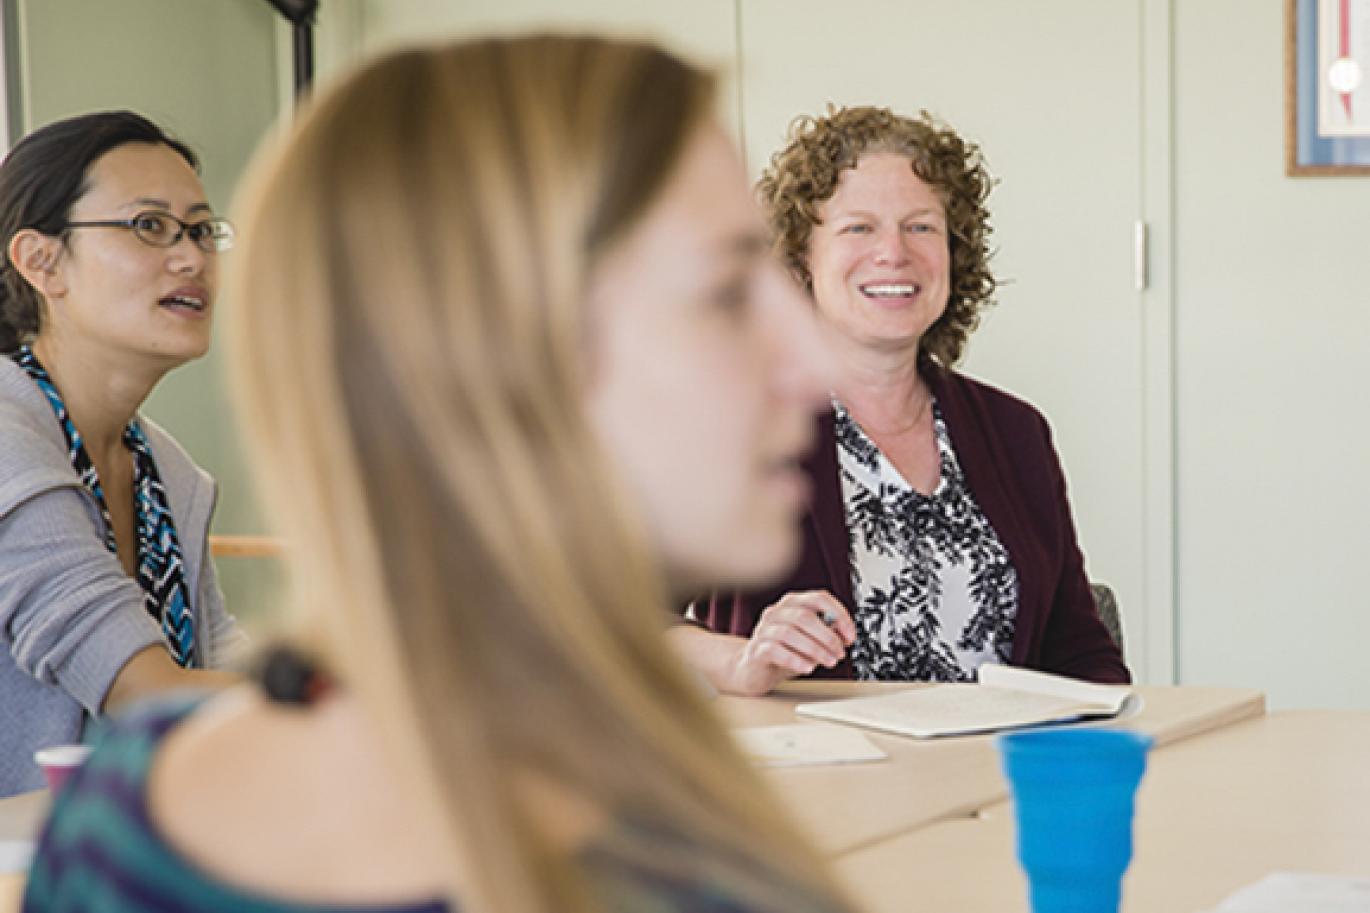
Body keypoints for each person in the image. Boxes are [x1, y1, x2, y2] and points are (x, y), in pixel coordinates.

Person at [24, 37, 857, 913]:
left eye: (199, 229)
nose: (811, 358)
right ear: (493, 350)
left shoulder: (121, 818)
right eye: (726, 292)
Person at [670, 105, 1130, 696]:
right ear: (801, 258)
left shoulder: (1016, 430)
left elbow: (1080, 651)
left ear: (953, 254)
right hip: (813, 781)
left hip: (1000, 777)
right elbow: (613, 618)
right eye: (858, 227)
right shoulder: (737, 426)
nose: (894, 253)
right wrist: (737, 661)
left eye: (920, 227)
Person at [0, 111, 244, 795]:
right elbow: (147, 692)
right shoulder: (7, 440)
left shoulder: (165, 467)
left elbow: (225, 661)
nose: (191, 256)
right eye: (149, 225)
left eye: (201, 229)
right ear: (41, 261)